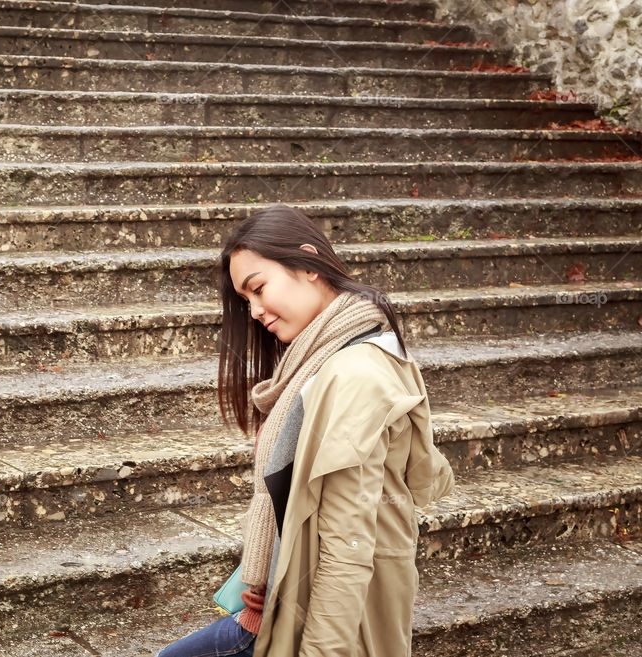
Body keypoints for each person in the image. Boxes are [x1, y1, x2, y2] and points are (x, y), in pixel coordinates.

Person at [156, 204, 455, 657]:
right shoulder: (328, 358)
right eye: (245, 301)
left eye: (258, 289)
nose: (254, 311)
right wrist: (270, 572)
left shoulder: (353, 373)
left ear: (309, 264)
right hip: (278, 604)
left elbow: (346, 545)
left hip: (320, 621)